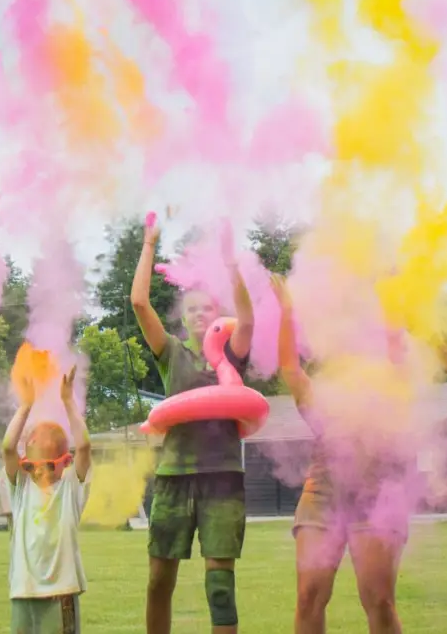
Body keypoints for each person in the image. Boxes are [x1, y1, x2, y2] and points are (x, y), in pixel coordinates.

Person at [131, 214, 255, 634]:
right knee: (157, 581)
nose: (201, 315)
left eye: (208, 309)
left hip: (222, 477)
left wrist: (230, 262)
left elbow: (249, 321)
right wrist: (149, 244)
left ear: (218, 315)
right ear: (184, 319)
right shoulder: (171, 354)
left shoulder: (232, 354)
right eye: (193, 310)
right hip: (173, 477)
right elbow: (139, 304)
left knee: (220, 585)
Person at [272, 274, 406, 634]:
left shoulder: (385, 389)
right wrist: (286, 311)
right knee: (309, 596)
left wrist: (390, 305)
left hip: (375, 498)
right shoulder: (317, 397)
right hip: (321, 496)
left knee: (378, 599)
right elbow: (289, 367)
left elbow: (398, 359)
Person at [2, 364, 92, 633]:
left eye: (48, 465)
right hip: (23, 591)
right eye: (30, 466)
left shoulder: (71, 490)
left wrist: (67, 401)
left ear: (65, 462)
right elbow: (8, 447)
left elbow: (85, 446)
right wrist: (25, 406)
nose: (38, 472)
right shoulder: (22, 489)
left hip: (60, 592)